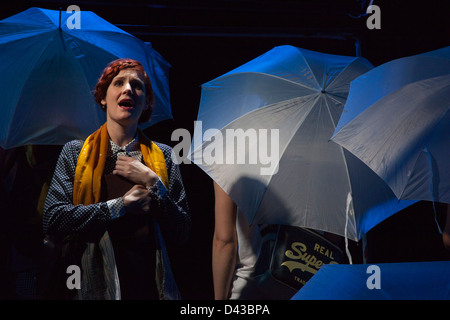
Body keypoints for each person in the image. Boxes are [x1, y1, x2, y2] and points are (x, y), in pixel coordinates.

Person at [42, 58, 190, 300]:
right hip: (91, 282)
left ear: (146, 103)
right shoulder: (76, 152)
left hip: (147, 283)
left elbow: (182, 231)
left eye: (137, 85)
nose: (128, 89)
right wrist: (120, 207)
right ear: (103, 97)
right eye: (118, 82)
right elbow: (54, 218)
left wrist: (155, 183)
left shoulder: (162, 155)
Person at [212, 181, 267, 300]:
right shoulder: (310, 167)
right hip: (297, 285)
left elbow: (224, 240)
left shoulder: (229, 163)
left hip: (248, 285)